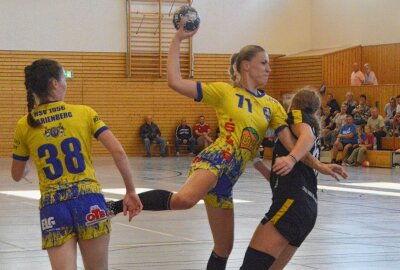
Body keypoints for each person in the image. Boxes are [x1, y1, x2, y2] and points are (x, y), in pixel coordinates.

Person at [108, 22, 346, 270]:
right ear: (246, 65)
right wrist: (178, 40)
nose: (269, 68)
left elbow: (292, 146)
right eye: (263, 62)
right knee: (185, 200)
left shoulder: (273, 106)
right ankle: (112, 206)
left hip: (230, 177)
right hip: (215, 159)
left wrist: (321, 166)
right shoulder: (224, 92)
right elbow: (175, 81)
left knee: (224, 248)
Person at [10, 59, 142, 270]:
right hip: (88, 199)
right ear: (54, 83)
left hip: (53, 207)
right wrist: (130, 190)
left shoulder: (24, 125)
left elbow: (16, 174)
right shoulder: (84, 113)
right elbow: (118, 151)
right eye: (64, 76)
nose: (66, 82)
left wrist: (27, 165)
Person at [241, 88, 346, 270]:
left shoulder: (297, 117)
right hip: (306, 210)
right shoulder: (298, 140)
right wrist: (255, 161)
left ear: (294, 104)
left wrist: (291, 159)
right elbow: (280, 176)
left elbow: (308, 136)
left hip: (292, 203)